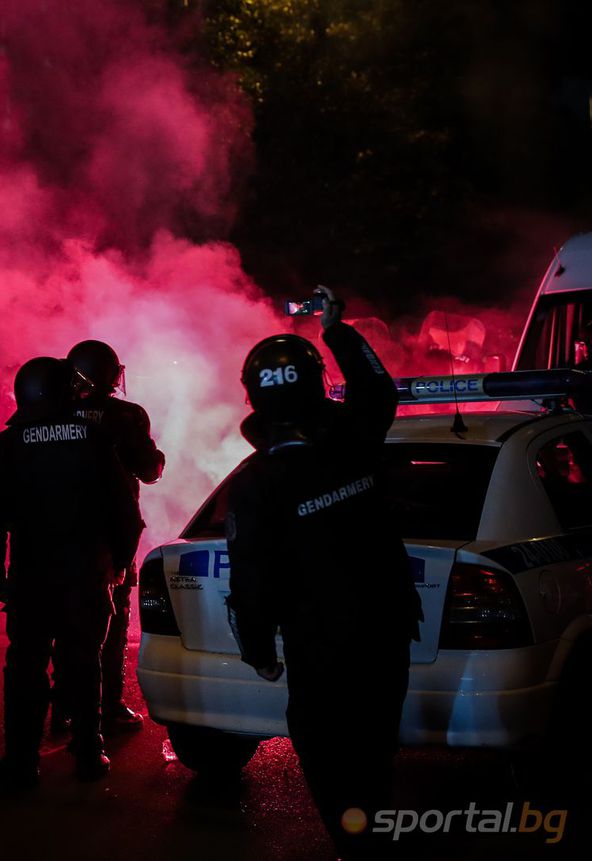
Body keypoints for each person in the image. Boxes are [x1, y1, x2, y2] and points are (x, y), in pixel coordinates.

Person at [225, 287, 422, 859]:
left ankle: (358, 845)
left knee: (328, 756)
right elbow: (377, 390)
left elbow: (251, 582)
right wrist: (337, 330)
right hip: (387, 630)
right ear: (315, 385)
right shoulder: (354, 440)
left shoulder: (257, 483)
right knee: (374, 752)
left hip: (323, 646)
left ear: (254, 398)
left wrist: (259, 652)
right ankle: (373, 838)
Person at [0, 357, 143, 787]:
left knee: (25, 669)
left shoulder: (12, 444)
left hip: (32, 578)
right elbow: (125, 514)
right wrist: (120, 564)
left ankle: (21, 761)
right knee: (83, 663)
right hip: (85, 574)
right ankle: (90, 753)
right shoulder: (95, 439)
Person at [66, 339, 165, 731]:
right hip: (110, 535)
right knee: (112, 621)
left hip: (59, 531)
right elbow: (150, 470)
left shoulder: (54, 412)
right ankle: (106, 707)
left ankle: (65, 707)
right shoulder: (125, 415)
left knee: (64, 623)